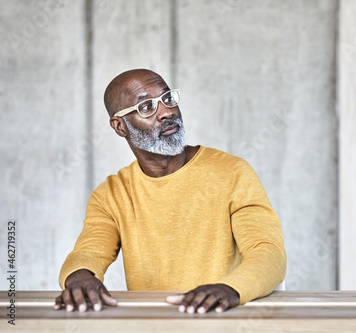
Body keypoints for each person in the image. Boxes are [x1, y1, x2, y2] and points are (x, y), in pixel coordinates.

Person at [54, 69, 286, 314]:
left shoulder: (232, 172)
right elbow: (88, 252)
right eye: (146, 107)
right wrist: (79, 277)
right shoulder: (111, 194)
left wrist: (230, 288)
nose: (167, 112)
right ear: (120, 126)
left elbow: (269, 253)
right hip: (154, 326)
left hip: (226, 320)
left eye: (168, 98)